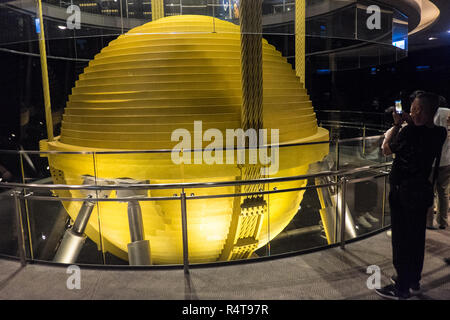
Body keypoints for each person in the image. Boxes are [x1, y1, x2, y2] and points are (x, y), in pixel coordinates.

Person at [376, 92, 447, 300]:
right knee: (416, 238)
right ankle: (413, 280)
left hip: (403, 193)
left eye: (416, 109)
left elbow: (387, 150)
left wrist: (398, 125)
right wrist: (412, 123)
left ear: (425, 111)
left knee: (401, 240)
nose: (412, 111)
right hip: (421, 192)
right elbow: (425, 133)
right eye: (412, 108)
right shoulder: (440, 133)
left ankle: (401, 288)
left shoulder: (408, 133)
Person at [426, 102, 450, 230]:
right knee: (444, 192)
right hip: (447, 160)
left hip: (433, 161)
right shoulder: (449, 113)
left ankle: (428, 222)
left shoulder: (434, 113)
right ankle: (443, 222)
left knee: (430, 191)